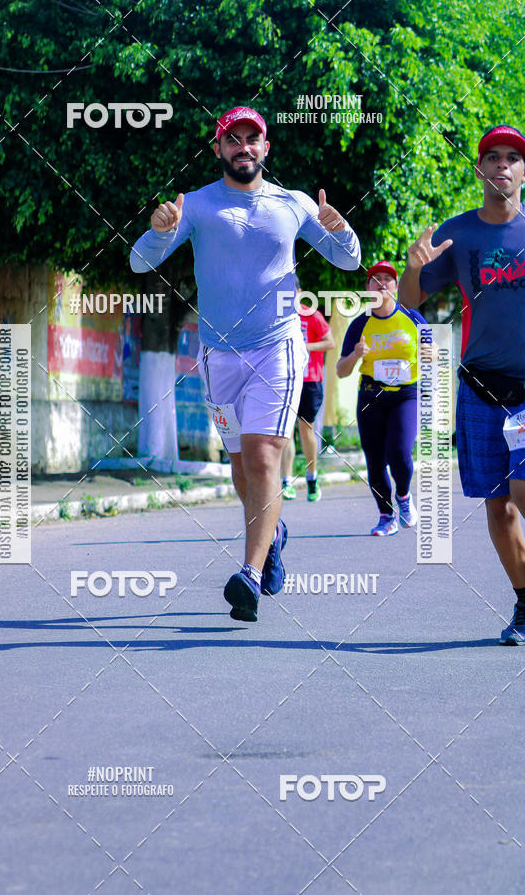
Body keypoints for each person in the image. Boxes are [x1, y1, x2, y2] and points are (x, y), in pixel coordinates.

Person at [130, 105, 360, 621]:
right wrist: (160, 230)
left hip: (277, 347)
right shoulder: (197, 205)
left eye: (251, 138)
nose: (243, 148)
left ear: (265, 147)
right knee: (240, 466)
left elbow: (348, 259)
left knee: (261, 458)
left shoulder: (293, 202)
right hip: (218, 356)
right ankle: (273, 534)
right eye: (232, 140)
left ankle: (250, 575)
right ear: (218, 149)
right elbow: (139, 261)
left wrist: (341, 229)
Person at [398, 123, 525, 645]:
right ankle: (524, 604)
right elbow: (410, 301)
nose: (502, 165)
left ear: (523, 171)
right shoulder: (457, 234)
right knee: (499, 503)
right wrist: (412, 267)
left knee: (523, 492)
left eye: (512, 157)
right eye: (492, 157)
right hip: (480, 388)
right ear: (479, 169)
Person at [336, 260, 423, 535]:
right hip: (371, 395)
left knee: (400, 452)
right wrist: (355, 355)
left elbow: (435, 352)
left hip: (405, 395)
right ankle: (386, 516)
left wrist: (432, 353)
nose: (382, 283)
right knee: (374, 460)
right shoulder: (359, 324)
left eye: (388, 279)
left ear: (396, 286)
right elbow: (341, 371)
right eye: (376, 279)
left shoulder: (412, 318)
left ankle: (404, 497)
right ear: (368, 288)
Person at [281, 276, 335, 502]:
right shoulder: (277, 317)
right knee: (285, 430)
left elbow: (330, 342)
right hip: (284, 379)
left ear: (299, 291)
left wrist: (304, 346)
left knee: (306, 429)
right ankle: (286, 481)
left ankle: (312, 478)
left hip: (309, 380)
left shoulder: (311, 314)